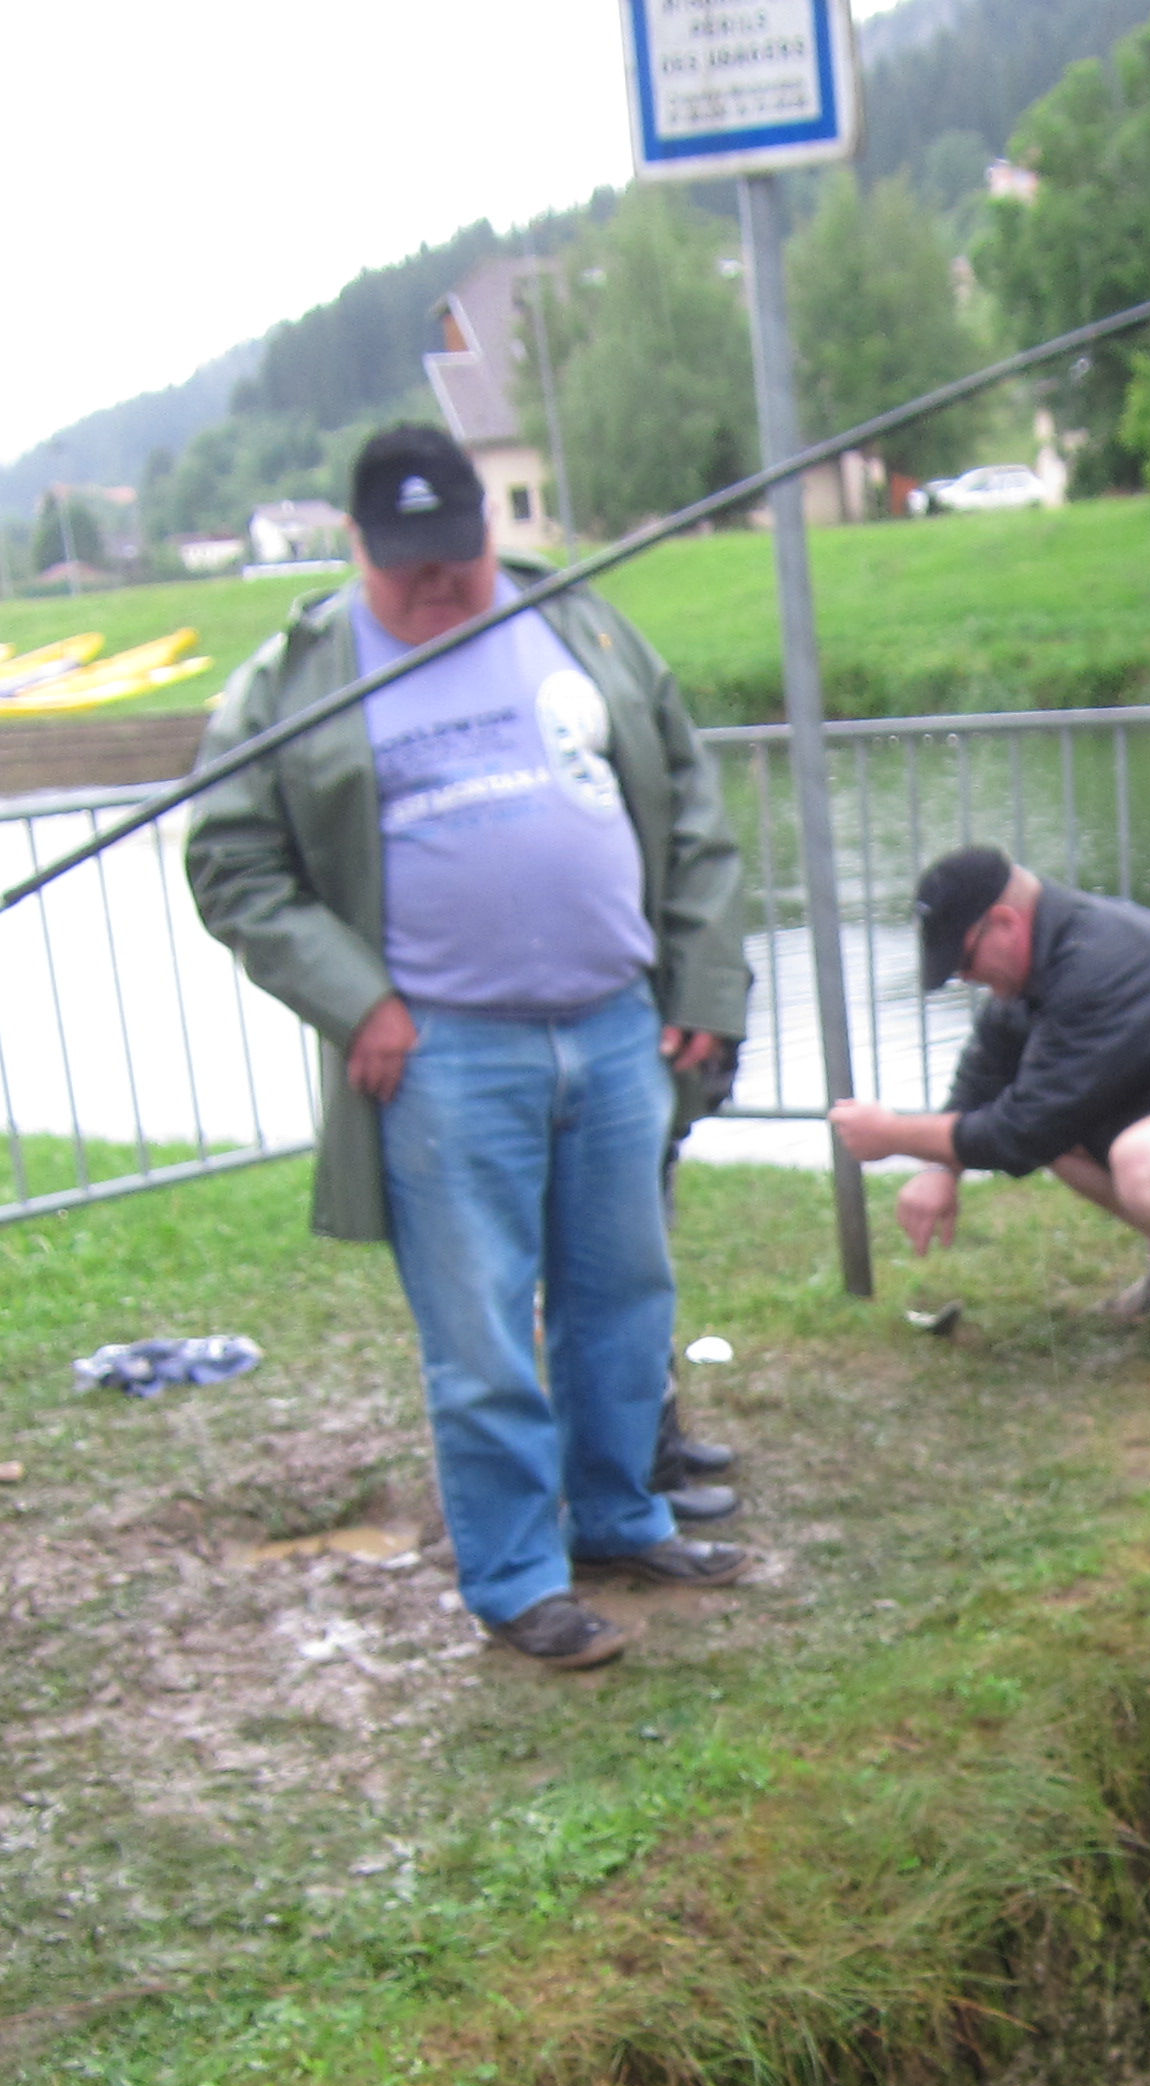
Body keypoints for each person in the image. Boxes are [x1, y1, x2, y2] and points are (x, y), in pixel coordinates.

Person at [188, 427, 757, 1671]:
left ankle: (619, 1515)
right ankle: (516, 1580)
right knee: (484, 1332)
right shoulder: (294, 678)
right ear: (356, 547)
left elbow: (692, 808)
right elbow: (233, 865)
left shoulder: (581, 623)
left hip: (615, 1024)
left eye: (460, 555)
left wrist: (702, 977)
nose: (441, 585)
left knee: (623, 1298)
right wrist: (360, 1002)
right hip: (444, 1055)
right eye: (410, 568)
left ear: (489, 529)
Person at [828, 848, 1150, 1375]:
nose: (965, 977)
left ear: (1004, 923)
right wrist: (941, 1168)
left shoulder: (1100, 964)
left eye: (964, 961)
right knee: (1065, 1138)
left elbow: (1020, 1133)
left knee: (1144, 1163)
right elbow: (986, 1075)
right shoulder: (1046, 959)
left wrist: (894, 1135)